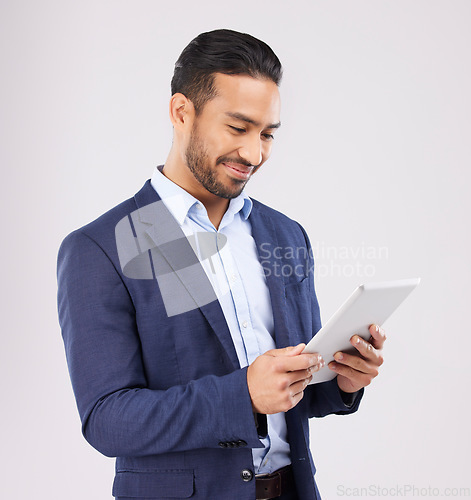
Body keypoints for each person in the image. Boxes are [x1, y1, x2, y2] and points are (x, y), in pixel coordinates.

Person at [57, 29, 385, 500]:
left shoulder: (284, 236)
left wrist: (343, 382)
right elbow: (108, 420)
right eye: (237, 128)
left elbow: (298, 395)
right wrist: (242, 395)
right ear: (181, 112)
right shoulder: (110, 244)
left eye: (267, 134)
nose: (254, 154)